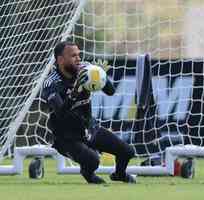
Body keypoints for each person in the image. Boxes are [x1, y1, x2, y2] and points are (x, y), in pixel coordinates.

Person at [42, 41, 136, 184]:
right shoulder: (52, 83)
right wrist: (75, 93)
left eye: (79, 55)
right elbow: (61, 113)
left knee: (128, 152)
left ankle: (120, 174)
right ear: (61, 60)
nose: (78, 59)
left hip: (89, 128)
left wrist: (100, 75)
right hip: (66, 137)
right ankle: (88, 174)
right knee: (93, 161)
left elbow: (110, 92)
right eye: (73, 56)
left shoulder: (86, 69)